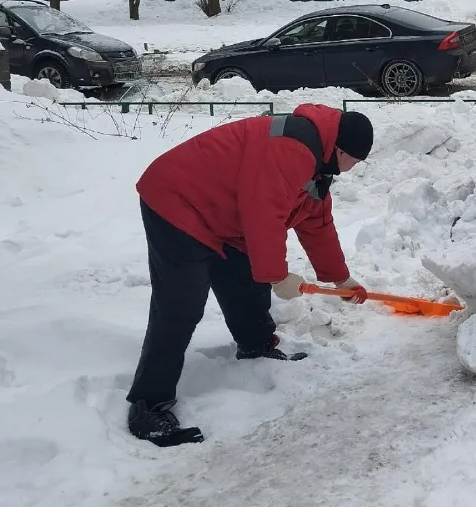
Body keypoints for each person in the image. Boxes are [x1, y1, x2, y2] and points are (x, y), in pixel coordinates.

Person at [124, 103, 375, 447]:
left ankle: (256, 346)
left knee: (244, 277)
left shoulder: (319, 163)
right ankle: (148, 405)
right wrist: (277, 276)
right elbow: (264, 213)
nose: (354, 168)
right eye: (356, 161)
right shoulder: (294, 148)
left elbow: (317, 222)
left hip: (224, 215)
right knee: (182, 303)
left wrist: (340, 278)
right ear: (341, 151)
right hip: (179, 200)